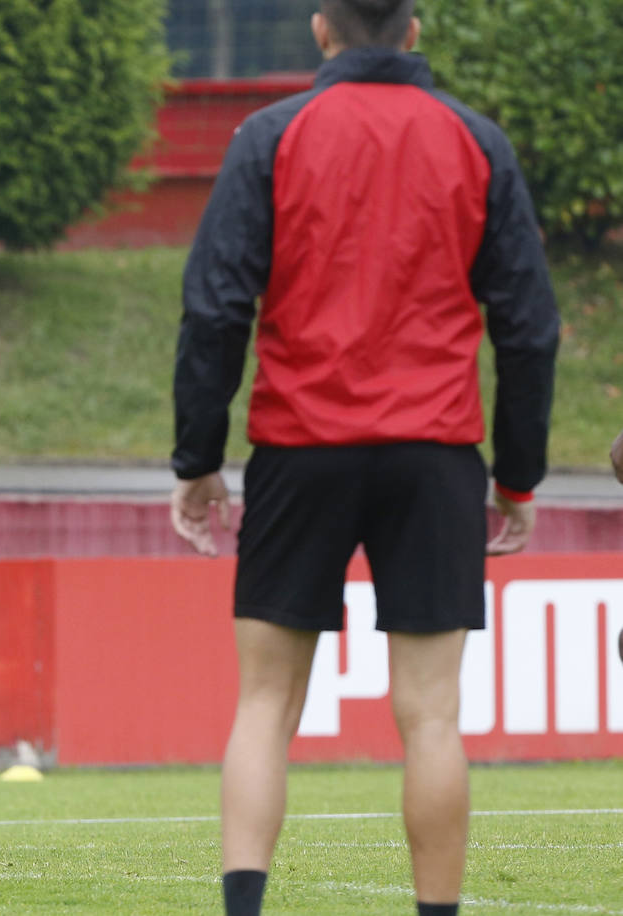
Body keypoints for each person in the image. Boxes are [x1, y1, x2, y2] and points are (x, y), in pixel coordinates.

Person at [168, 2, 558, 914]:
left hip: (300, 450)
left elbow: (215, 309)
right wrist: (517, 478)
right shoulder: (476, 140)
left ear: (320, 29)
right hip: (434, 454)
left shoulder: (271, 135)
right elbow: (530, 330)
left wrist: (197, 459)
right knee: (430, 717)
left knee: (266, 704)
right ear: (414, 31)